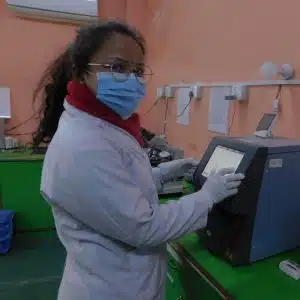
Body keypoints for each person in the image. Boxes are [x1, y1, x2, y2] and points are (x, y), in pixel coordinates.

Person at [33, 20, 244, 300]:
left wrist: (165, 172)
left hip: (125, 279)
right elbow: (144, 227)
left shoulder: (106, 124)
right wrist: (207, 196)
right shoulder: (83, 144)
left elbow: (118, 188)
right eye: (118, 67)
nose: (131, 79)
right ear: (81, 72)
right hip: (109, 289)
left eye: (137, 70)